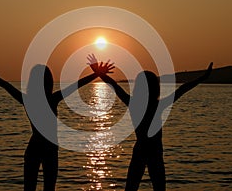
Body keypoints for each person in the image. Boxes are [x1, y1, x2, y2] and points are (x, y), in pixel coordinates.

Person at [0, 57, 114, 191]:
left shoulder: (29, 100)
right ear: (49, 82)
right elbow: (76, 85)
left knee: (30, 187)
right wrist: (97, 74)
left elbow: (5, 85)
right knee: (47, 187)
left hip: (36, 147)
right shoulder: (51, 99)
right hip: (49, 148)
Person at [87, 54, 213, 191]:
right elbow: (182, 89)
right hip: (154, 150)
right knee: (157, 187)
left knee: (132, 186)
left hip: (141, 149)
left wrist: (98, 73)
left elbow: (115, 86)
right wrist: (202, 78)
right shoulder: (157, 105)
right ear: (155, 87)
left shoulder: (135, 104)